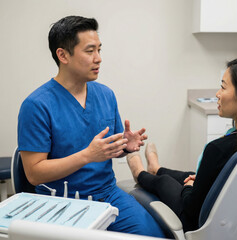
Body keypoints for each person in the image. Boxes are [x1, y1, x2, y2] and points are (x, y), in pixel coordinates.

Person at [17, 15, 165, 237]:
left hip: (107, 195)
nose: (99, 58)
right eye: (90, 51)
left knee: (151, 235)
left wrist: (124, 145)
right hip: (60, 202)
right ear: (63, 55)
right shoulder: (37, 105)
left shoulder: (105, 95)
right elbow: (34, 174)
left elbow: (105, 150)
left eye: (99, 50)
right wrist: (87, 155)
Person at [126, 55, 237, 232]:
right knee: (193, 174)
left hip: (202, 223)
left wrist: (189, 189)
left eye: (223, 87)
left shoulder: (219, 149)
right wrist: (195, 182)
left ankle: (139, 172)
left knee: (165, 182)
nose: (217, 94)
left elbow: (191, 209)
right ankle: (155, 168)